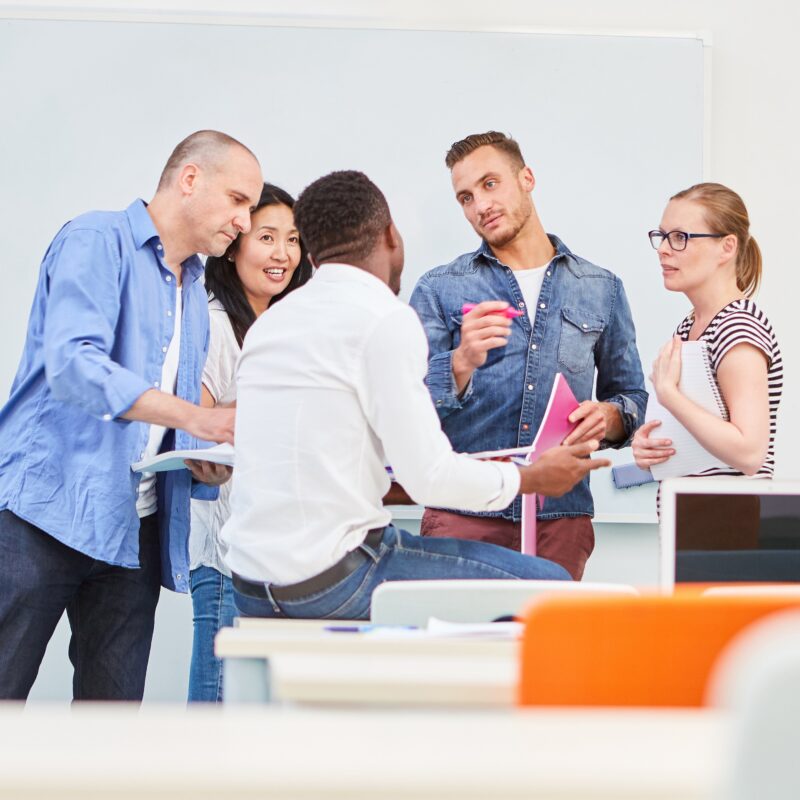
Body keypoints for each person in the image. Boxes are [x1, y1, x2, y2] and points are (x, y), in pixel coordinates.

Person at [221, 170, 611, 622]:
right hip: (335, 579)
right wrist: (532, 479)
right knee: (554, 588)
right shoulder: (384, 317)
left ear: (311, 254)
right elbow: (429, 478)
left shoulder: (272, 323)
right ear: (391, 235)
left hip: (250, 584)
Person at [0, 130, 263, 701]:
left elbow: (158, 420)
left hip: (132, 529)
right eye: (239, 200)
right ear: (190, 179)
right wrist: (198, 419)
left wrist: (201, 462)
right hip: (43, 516)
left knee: (112, 723)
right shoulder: (95, 239)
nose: (245, 221)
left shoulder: (193, 285)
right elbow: (74, 363)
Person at [409, 131, 646, 580]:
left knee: (548, 652)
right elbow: (405, 403)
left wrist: (611, 417)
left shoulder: (601, 287)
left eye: (490, 184)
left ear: (526, 178)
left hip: (561, 518)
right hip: (464, 511)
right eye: (465, 197)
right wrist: (460, 362)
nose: (480, 205)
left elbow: (629, 394)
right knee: (452, 649)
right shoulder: (439, 288)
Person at [188, 183, 312, 702]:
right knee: (220, 705)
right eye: (267, 237)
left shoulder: (282, 325)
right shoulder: (217, 322)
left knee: (257, 707)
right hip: (226, 554)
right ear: (236, 243)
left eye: (293, 239)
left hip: (274, 551)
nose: (282, 253)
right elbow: (196, 424)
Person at [633, 183, 782, 536]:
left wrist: (670, 396)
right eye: (663, 236)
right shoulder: (690, 325)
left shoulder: (738, 326)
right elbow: (701, 436)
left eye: (681, 237)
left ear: (726, 247)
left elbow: (748, 452)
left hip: (730, 530)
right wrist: (649, 448)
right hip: (693, 527)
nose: (664, 250)